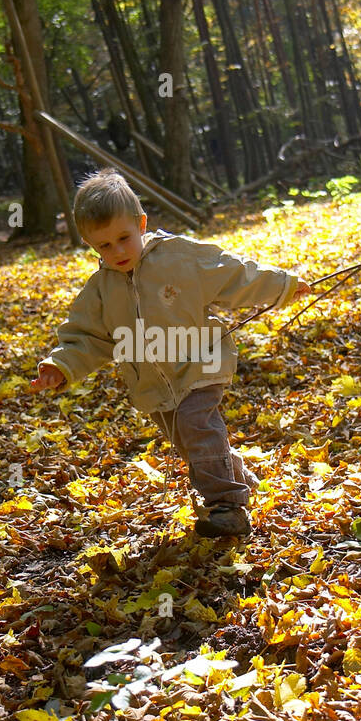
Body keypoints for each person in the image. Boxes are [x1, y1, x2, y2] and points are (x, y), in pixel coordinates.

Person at [30, 168, 310, 537]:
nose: (117, 252)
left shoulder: (180, 258)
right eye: (104, 246)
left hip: (199, 362)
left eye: (124, 238)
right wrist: (61, 365)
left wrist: (282, 286)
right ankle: (235, 475)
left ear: (141, 223)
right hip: (152, 385)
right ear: (89, 244)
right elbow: (87, 338)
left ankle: (227, 507)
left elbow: (233, 273)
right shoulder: (100, 291)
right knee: (189, 442)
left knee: (197, 424)